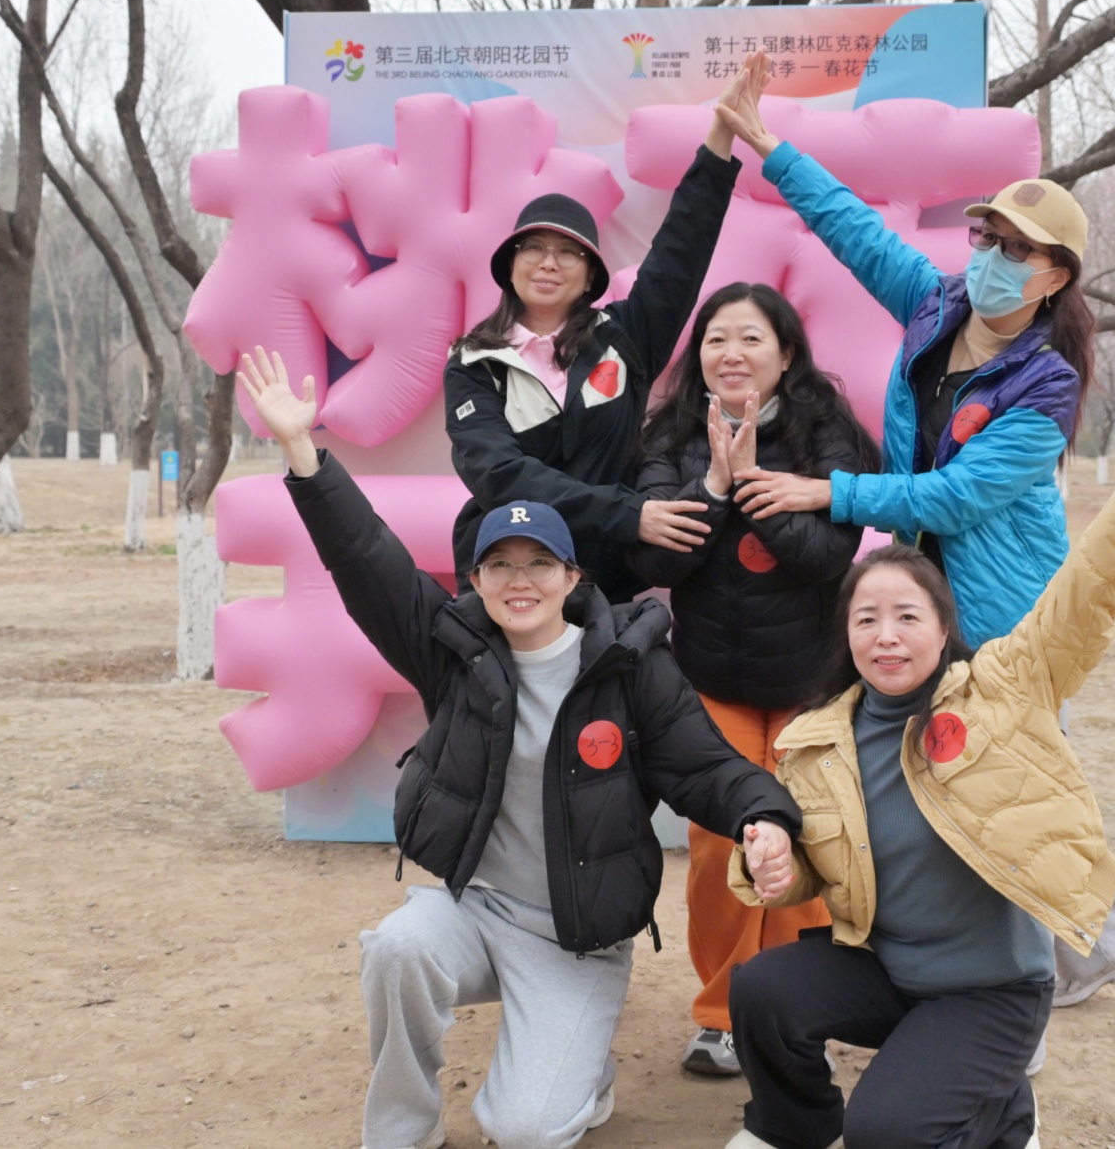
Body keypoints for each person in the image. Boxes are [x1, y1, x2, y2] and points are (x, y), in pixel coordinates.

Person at [236, 347, 801, 1149]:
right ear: (475, 580)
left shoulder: (629, 667)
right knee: (396, 949)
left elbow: (707, 767)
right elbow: (367, 560)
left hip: (576, 936)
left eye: (540, 563)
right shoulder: (454, 651)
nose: (519, 580)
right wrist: (302, 451)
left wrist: (763, 817)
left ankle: (583, 1072)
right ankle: (403, 1129)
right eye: (499, 565)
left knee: (527, 1130)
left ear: (573, 578)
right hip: (476, 910)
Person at [708, 59, 1115, 1009]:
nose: (993, 256)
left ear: (1055, 277)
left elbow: (955, 496)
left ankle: (1073, 954)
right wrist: (770, 148)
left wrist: (824, 491)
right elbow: (852, 230)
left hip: (1005, 611)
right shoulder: (935, 303)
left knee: (1011, 774)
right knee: (978, 772)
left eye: (1019, 250)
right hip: (928, 594)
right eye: (989, 236)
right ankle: (1104, 946)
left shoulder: (1046, 386)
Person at [720, 409, 1115, 1149]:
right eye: (866, 620)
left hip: (992, 990)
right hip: (888, 970)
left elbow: (1082, 595)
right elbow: (808, 868)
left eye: (907, 616)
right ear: (846, 635)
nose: (887, 636)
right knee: (762, 990)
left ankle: (1004, 1116)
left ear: (942, 626)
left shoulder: (1004, 687)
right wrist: (768, 859)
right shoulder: (814, 738)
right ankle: (791, 1128)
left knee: (885, 1133)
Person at [625, 281, 882, 1079]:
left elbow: (826, 557)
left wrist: (756, 493)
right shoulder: (670, 433)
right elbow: (657, 561)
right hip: (713, 683)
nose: (732, 354)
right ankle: (724, 1015)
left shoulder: (826, 430)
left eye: (751, 338)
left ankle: (799, 1011)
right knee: (721, 847)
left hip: (811, 686)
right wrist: (713, 483)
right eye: (716, 339)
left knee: (808, 839)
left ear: (786, 352)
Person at [444, 57, 771, 599]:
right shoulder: (473, 362)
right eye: (534, 248)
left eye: (569, 252)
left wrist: (719, 137)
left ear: (591, 274)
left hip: (604, 588)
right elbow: (499, 475)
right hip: (508, 584)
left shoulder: (623, 338)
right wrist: (628, 514)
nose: (549, 263)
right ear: (511, 264)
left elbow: (679, 253)